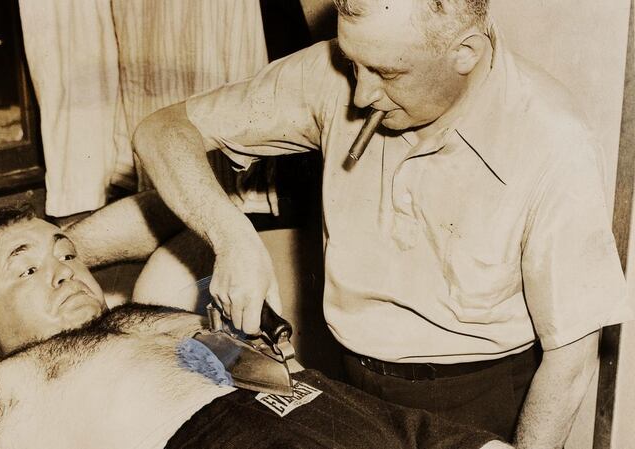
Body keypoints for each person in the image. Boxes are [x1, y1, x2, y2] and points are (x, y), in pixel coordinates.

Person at [131, 0, 633, 446]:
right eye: (353, 64)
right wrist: (232, 237)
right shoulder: (344, 73)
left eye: (387, 73)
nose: (361, 95)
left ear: (466, 53)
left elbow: (570, 363)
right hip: (352, 378)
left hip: (482, 399)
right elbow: (162, 131)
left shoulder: (552, 141)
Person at [0, 205, 509, 449]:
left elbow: (183, 227)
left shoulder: (150, 314)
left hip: (374, 422)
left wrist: (57, 242)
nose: (61, 272)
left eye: (67, 258)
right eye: (25, 271)